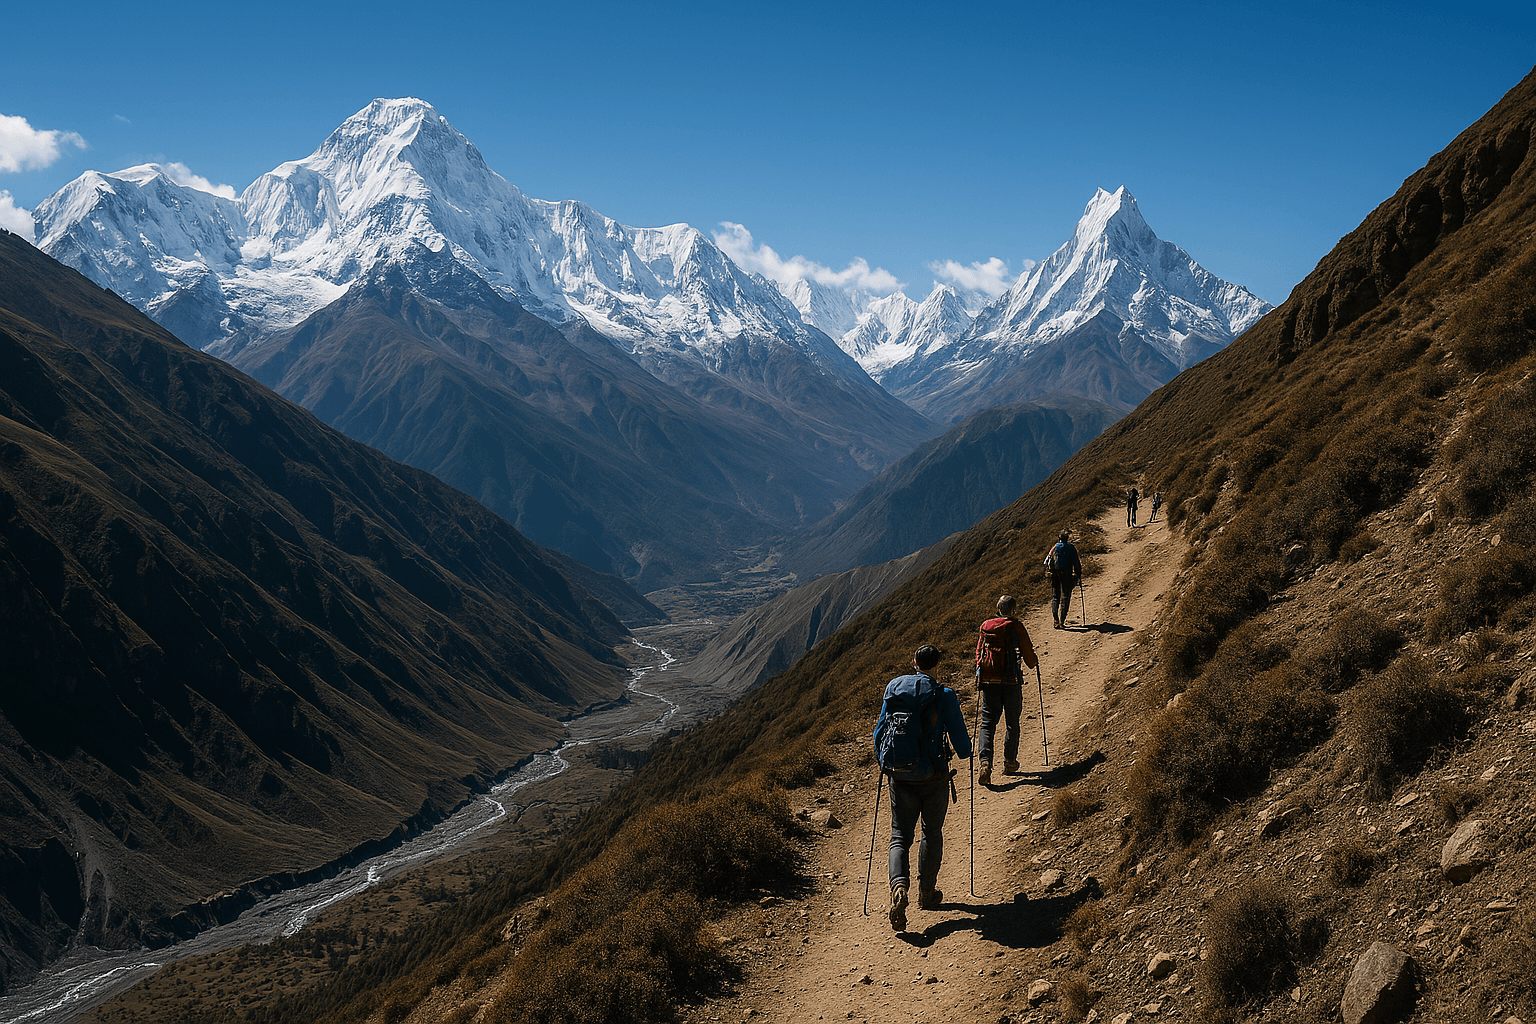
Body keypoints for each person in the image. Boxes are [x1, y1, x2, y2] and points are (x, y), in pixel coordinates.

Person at [872, 644, 972, 932]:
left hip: (899, 775)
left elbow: (880, 731)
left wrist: (885, 763)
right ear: (937, 665)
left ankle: (898, 887)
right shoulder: (944, 695)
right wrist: (966, 752)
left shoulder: (894, 688)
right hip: (933, 777)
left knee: (899, 836)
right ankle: (927, 893)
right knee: (932, 832)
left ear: (913, 662)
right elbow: (963, 747)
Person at [973, 595, 1038, 786]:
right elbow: (1029, 657)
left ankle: (985, 762)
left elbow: (979, 652)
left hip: (989, 682)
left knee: (987, 724)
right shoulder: (1015, 626)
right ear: (1013, 610)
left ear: (997, 608)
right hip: (1011, 682)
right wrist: (1034, 662)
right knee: (1012, 723)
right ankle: (1010, 762)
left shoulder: (986, 626)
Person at [1045, 530, 1082, 628]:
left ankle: (1055, 620)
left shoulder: (1054, 547)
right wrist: (1078, 575)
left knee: (1055, 596)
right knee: (1066, 596)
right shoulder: (1071, 547)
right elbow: (1076, 563)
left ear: (1059, 538)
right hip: (1067, 574)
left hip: (1054, 574)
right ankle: (1062, 621)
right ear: (1067, 538)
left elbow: (1046, 561)